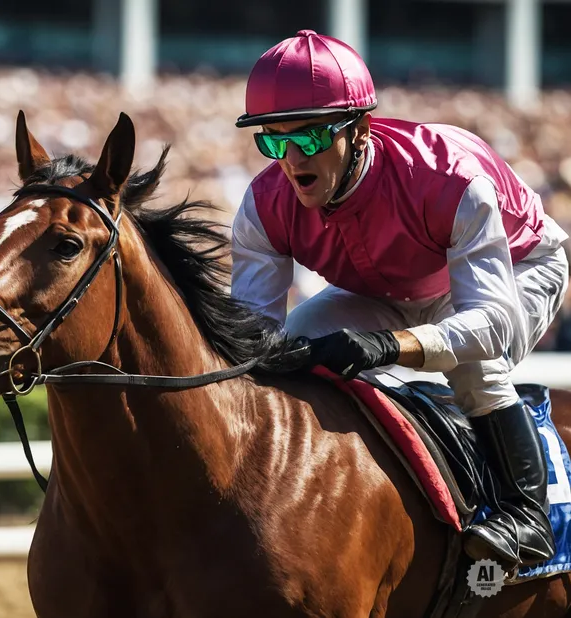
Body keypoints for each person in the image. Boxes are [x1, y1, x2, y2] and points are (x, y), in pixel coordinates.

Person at [229, 30, 570, 570]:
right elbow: (248, 335)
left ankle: (525, 516)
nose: (291, 160)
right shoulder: (263, 205)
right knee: (291, 343)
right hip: (385, 289)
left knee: (475, 364)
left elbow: (493, 322)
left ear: (360, 128)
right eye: (273, 141)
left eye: (311, 139)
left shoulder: (447, 177)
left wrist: (389, 347)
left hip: (517, 270)